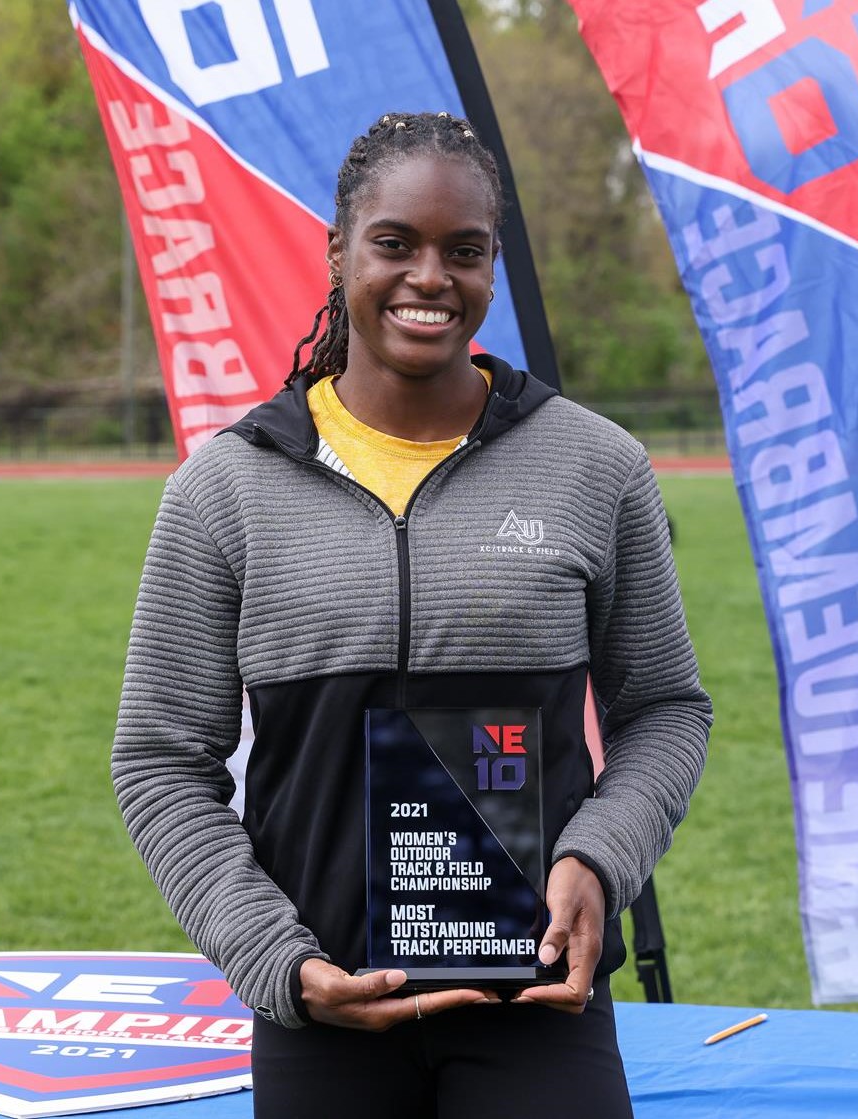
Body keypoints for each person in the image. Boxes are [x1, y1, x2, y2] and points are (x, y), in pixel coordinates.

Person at [112, 110, 711, 1118]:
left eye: (463, 252)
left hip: (537, 1004)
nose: (430, 277)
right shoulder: (224, 491)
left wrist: (597, 859)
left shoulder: (594, 468)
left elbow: (665, 710)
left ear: (492, 268)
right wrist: (274, 959)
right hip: (326, 1011)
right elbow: (161, 762)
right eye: (395, 243)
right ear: (339, 251)